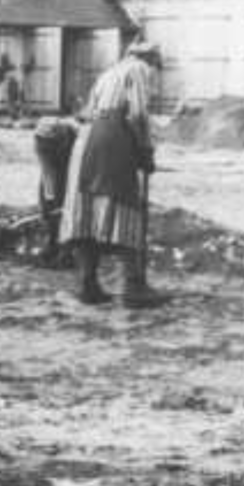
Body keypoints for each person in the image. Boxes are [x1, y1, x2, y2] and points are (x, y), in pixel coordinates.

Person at [59, 41, 163, 306]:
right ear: (148, 58)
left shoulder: (109, 72)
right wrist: (146, 151)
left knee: (87, 211)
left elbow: (88, 112)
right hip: (113, 139)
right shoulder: (138, 70)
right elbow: (138, 114)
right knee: (124, 206)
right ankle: (134, 285)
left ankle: (88, 284)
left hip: (87, 140)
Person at [33, 114, 80, 264]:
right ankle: (52, 241)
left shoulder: (75, 139)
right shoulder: (41, 142)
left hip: (73, 164)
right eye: (44, 147)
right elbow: (48, 177)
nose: (47, 151)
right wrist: (50, 203)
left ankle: (68, 246)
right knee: (49, 202)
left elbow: (75, 175)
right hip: (58, 160)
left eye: (50, 147)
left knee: (70, 201)